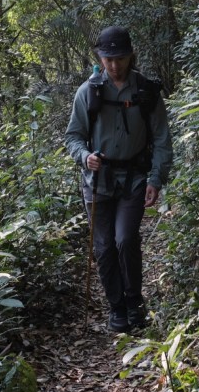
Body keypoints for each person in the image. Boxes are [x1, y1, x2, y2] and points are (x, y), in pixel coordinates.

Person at [65, 26, 173, 332]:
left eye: (120, 58)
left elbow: (162, 139)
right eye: (108, 59)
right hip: (97, 180)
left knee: (125, 239)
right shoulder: (88, 92)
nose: (114, 65)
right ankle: (117, 308)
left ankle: (134, 302)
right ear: (99, 58)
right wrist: (85, 156)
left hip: (134, 178)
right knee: (103, 247)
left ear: (131, 56)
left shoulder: (146, 92)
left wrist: (156, 179)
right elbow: (73, 137)